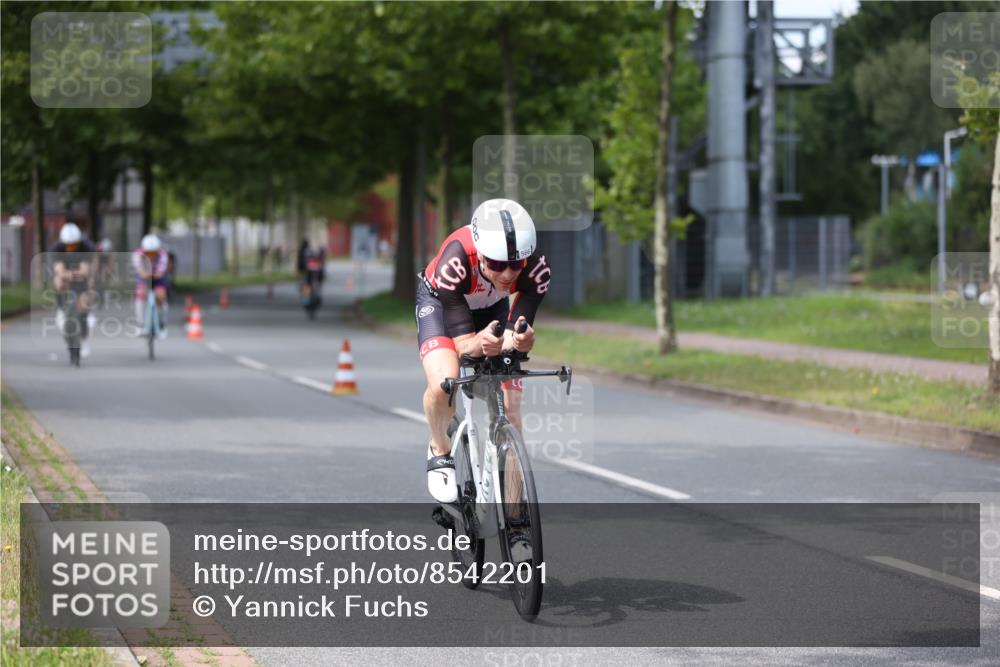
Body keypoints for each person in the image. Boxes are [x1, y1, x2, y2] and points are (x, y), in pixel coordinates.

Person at [416, 198, 552, 503]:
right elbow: (465, 346)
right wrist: (480, 345)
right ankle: (439, 449)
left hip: (491, 307)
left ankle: (517, 523)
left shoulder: (537, 269)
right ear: (480, 255)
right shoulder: (455, 260)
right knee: (443, 384)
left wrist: (519, 341)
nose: (507, 275)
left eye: (516, 265)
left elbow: (518, 330)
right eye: (496, 264)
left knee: (511, 409)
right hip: (441, 303)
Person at [49, 222, 97, 357]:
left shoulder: (86, 247)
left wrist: (82, 275)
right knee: (58, 282)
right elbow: (58, 269)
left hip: (82, 278)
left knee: (85, 300)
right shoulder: (57, 248)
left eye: (74, 245)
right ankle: (60, 307)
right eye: (68, 245)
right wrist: (67, 275)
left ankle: (84, 336)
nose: (71, 247)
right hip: (65, 276)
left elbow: (86, 269)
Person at [132, 234, 170, 339]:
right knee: (140, 293)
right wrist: (145, 274)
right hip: (143, 278)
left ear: (158, 250)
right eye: (148, 253)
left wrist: (155, 274)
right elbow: (140, 271)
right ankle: (139, 324)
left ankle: (162, 324)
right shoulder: (137, 254)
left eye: (153, 252)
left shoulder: (163, 255)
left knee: (161, 296)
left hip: (157, 278)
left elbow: (161, 272)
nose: (151, 255)